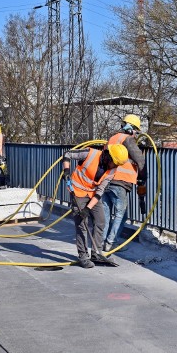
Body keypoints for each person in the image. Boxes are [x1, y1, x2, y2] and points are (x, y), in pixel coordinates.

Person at [62, 143, 129, 268]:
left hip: (93, 194)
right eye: (114, 162)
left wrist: (88, 208)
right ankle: (83, 256)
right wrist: (66, 171)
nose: (115, 166)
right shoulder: (90, 154)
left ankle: (96, 253)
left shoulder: (112, 170)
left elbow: (100, 191)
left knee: (100, 221)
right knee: (82, 224)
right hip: (77, 191)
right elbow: (67, 154)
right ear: (108, 156)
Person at [102, 114, 146, 252]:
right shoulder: (127, 139)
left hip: (106, 180)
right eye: (136, 131)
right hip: (120, 181)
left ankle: (102, 242)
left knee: (107, 213)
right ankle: (111, 243)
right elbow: (140, 160)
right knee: (121, 214)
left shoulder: (113, 138)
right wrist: (142, 179)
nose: (135, 134)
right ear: (131, 128)